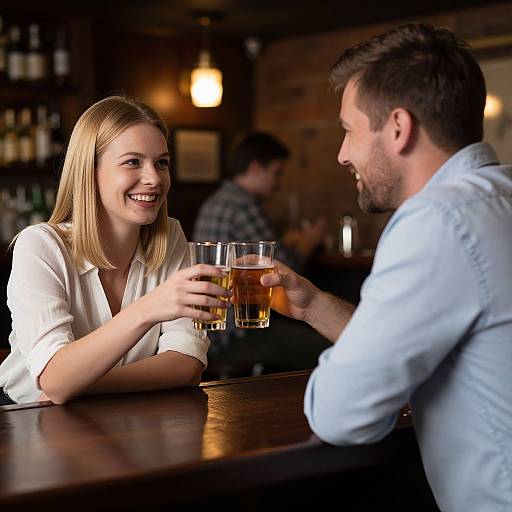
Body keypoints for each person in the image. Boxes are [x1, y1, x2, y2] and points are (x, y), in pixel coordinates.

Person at [260, 23, 512, 512]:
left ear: (398, 127)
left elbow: (341, 413)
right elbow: (446, 346)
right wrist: (315, 307)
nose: (341, 153)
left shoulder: (437, 220)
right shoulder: (499, 195)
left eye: (349, 131)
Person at [0, 96, 229, 405]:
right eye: (133, 162)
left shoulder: (171, 237)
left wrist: (81, 384)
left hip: (128, 417)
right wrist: (148, 309)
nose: (153, 179)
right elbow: (55, 377)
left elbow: (186, 365)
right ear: (89, 172)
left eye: (161, 162)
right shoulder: (40, 245)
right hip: (27, 419)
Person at [193, 131, 326, 272]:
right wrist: (309, 242)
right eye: (277, 173)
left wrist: (286, 239)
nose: (280, 183)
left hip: (209, 291)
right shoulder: (244, 205)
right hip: (235, 292)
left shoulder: (215, 199)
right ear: (255, 168)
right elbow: (283, 269)